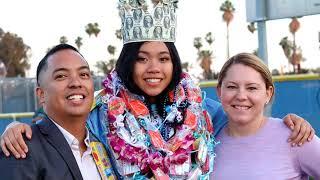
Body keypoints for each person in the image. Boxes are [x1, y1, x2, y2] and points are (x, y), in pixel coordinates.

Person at [0, 1, 315, 179]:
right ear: (127, 62)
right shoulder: (102, 112)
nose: (154, 68)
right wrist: (17, 128)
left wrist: (293, 124)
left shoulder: (204, 110)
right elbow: (64, 129)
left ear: (174, 63)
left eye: (164, 58)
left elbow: (245, 123)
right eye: (142, 58)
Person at [0, 44, 116, 179]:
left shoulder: (105, 146)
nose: (76, 83)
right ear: (41, 94)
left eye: (83, 74)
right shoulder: (21, 149)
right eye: (61, 76)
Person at [211, 53, 320, 179]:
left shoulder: (296, 136)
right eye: (231, 87)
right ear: (219, 91)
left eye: (252, 88)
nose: (241, 96)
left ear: (268, 93)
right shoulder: (206, 142)